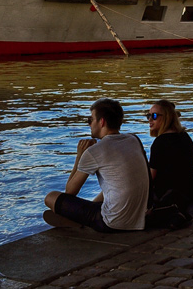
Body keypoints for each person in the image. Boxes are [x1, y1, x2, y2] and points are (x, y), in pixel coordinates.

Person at [44, 98, 149, 232]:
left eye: (90, 120)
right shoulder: (133, 140)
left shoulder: (96, 151)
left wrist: (80, 155)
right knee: (111, 187)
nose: (89, 124)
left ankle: (77, 220)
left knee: (50, 197)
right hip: (139, 219)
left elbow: (70, 192)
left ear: (102, 122)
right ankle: (85, 212)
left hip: (112, 223)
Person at [145, 99, 193, 217]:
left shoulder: (160, 143)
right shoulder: (184, 136)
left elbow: (150, 177)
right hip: (188, 192)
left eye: (154, 116)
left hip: (167, 194)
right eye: (148, 115)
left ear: (166, 117)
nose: (149, 119)